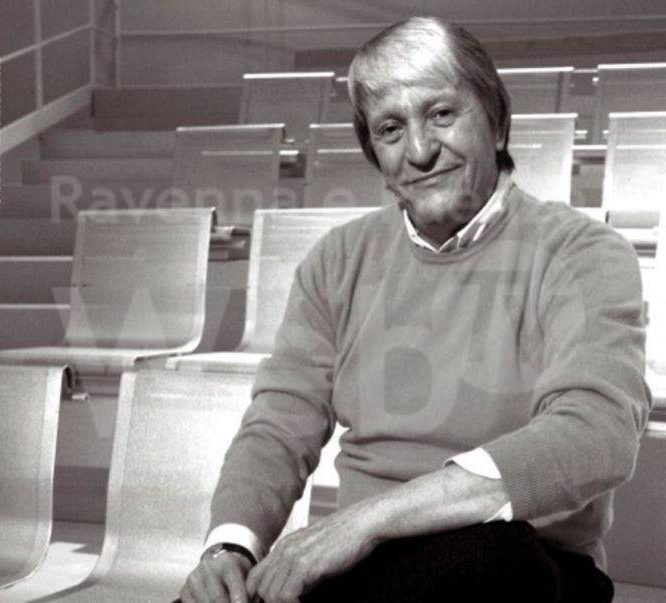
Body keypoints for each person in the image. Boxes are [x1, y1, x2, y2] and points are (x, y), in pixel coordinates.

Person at [179, 16, 651, 603]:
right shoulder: (337, 260)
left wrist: (369, 521)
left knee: (490, 558)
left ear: (497, 121)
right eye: (390, 129)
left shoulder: (584, 252)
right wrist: (231, 547)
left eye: (442, 114)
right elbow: (279, 425)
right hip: (370, 570)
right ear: (374, 155)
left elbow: (597, 434)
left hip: (523, 565)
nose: (421, 151)